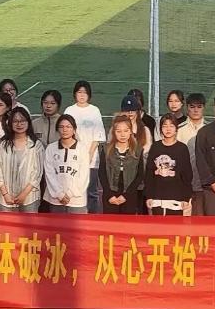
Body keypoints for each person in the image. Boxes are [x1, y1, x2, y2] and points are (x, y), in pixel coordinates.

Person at [63, 81, 104, 213]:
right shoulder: (69, 110)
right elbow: (65, 132)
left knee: (92, 191)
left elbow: (98, 135)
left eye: (85, 93)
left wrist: (89, 154)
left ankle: (92, 217)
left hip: (91, 159)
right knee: (73, 189)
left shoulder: (94, 110)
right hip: (73, 158)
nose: (82, 95)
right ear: (75, 94)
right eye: (79, 92)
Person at [0, 107, 44, 214]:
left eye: (22, 121)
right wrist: (5, 194)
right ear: (10, 123)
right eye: (15, 121)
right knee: (7, 225)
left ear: (28, 122)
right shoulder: (2, 145)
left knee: (29, 225)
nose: (19, 124)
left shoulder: (36, 145)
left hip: (29, 197)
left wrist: (24, 194)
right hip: (6, 198)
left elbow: (37, 173)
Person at [145, 114, 194, 216]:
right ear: (161, 129)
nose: (168, 129)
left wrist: (186, 197)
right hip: (157, 197)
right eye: (165, 126)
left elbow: (187, 175)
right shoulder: (155, 147)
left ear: (176, 129)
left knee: (174, 225)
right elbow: (149, 173)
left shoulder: (182, 148)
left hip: (176, 198)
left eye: (171, 126)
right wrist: (149, 196)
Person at [43, 115, 92, 214]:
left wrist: (70, 193)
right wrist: (59, 194)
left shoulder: (82, 149)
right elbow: (49, 174)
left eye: (68, 127)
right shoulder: (51, 148)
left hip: (77, 201)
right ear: (57, 130)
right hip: (56, 199)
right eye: (61, 127)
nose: (64, 130)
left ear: (74, 130)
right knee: (56, 224)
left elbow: (83, 176)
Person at [98, 116, 145, 215]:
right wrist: (109, 194)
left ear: (130, 131)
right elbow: (102, 173)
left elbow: (140, 175)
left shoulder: (137, 150)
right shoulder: (106, 149)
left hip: (129, 195)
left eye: (126, 131)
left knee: (127, 223)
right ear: (114, 132)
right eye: (118, 131)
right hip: (110, 194)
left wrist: (126, 196)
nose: (122, 134)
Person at [177, 92, 209, 213]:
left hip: (205, 184)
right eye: (192, 107)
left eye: (199, 107)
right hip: (184, 184)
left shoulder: (210, 129)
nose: (196, 110)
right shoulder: (179, 130)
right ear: (187, 108)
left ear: (204, 108)